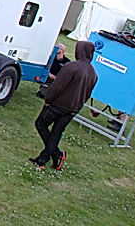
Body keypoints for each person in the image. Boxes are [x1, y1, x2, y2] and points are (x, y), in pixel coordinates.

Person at [29, 39, 98, 170]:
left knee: (41, 124)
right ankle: (44, 159)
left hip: (59, 105)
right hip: (74, 108)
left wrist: (48, 100)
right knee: (57, 132)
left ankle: (55, 154)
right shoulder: (93, 73)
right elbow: (87, 94)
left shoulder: (72, 67)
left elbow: (57, 86)